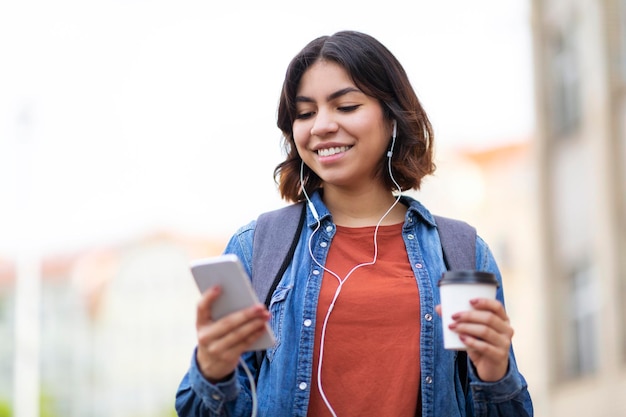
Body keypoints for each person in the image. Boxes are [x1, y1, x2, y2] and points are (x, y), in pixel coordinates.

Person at [175, 30, 533, 417]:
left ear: (392, 117)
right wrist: (212, 372)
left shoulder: (461, 250)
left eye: (345, 106)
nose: (321, 126)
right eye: (305, 113)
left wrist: (496, 375)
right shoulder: (256, 247)